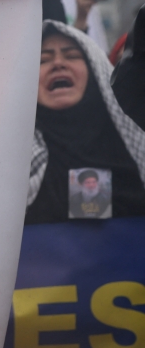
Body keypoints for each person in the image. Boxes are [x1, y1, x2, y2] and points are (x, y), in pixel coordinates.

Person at [27, 21, 145, 224]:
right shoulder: (11, 159)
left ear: (94, 69)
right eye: (42, 60)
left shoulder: (132, 144)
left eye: (72, 56)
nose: (58, 64)